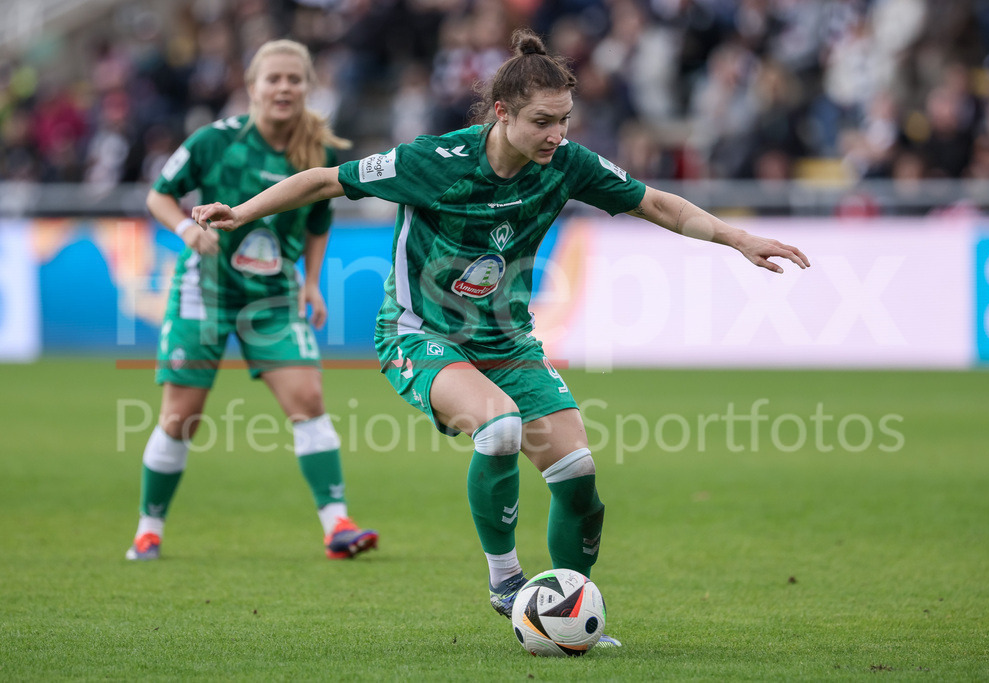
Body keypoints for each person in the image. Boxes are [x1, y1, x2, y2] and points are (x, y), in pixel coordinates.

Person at [191, 29, 809, 643]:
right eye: (544, 122)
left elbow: (660, 205)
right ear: (503, 112)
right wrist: (241, 212)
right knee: (501, 427)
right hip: (420, 331)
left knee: (578, 477)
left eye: (565, 120)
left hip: (508, 341)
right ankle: (506, 581)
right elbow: (325, 180)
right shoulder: (434, 161)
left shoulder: (566, 164)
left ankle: (562, 617)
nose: (557, 136)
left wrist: (740, 238)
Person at [126, 39, 378, 562]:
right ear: (252, 87)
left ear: (308, 88)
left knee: (308, 400)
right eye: (274, 79)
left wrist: (311, 281)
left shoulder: (320, 152)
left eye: (294, 79)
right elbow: (158, 194)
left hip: (274, 301)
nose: (284, 88)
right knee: (180, 418)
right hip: (205, 293)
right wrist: (183, 230)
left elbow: (317, 221)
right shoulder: (213, 142)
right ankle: (148, 530)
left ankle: (338, 526)